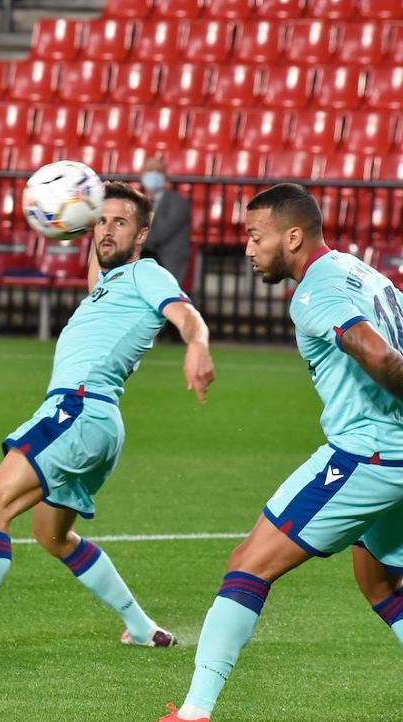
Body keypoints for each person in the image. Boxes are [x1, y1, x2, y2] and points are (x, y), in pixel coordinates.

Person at [0, 182, 215, 658]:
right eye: (101, 221)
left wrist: (198, 346)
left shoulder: (147, 274)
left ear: (143, 234)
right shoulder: (107, 287)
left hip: (77, 410)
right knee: (53, 536)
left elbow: (186, 314)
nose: (106, 231)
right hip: (99, 422)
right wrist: (88, 212)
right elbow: (97, 263)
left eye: (119, 223)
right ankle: (142, 627)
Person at [159, 184, 403, 722]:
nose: (247, 248)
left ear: (292, 237)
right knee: (378, 580)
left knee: (248, 564)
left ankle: (194, 713)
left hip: (369, 455)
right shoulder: (362, 272)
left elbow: (375, 351)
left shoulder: (318, 293)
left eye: (254, 236)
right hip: (397, 457)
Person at [139, 156, 191, 286]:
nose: (154, 175)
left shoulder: (178, 202)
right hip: (141, 258)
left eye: (158, 171)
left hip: (167, 261)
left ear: (165, 176)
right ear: (142, 175)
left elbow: (159, 235)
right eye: (150, 170)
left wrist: (132, 241)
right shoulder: (137, 202)